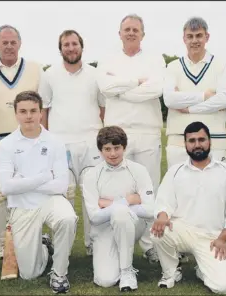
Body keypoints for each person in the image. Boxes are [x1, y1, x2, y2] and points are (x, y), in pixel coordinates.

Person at [96, 13, 164, 263]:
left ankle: (150, 244)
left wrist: (121, 90)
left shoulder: (155, 59)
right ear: (120, 33)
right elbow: (106, 88)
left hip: (147, 131)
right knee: (120, 189)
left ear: (143, 34)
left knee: (148, 189)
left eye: (136, 29)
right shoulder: (108, 59)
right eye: (127, 29)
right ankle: (119, 239)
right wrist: (136, 82)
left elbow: (156, 89)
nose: (131, 33)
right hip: (117, 134)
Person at [0, 91, 77, 294]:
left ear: (41, 113)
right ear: (16, 114)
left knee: (68, 218)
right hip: (22, 204)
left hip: (51, 199)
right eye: (23, 111)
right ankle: (43, 245)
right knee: (29, 273)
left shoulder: (56, 142)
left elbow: (60, 186)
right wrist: (43, 177)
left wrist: (22, 181)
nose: (29, 116)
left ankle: (59, 274)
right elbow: (6, 187)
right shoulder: (6, 145)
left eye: (33, 111)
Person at [151, 121, 226, 294]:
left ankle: (202, 270)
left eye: (202, 139)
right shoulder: (176, 171)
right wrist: (163, 215)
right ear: (185, 144)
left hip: (213, 238)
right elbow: (164, 202)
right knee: (158, 230)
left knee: (224, 287)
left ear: (210, 142)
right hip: (182, 230)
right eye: (192, 141)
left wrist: (223, 238)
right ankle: (171, 272)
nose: (197, 144)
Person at [0, 24, 46, 259]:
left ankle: (32, 240)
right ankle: (3, 246)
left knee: (30, 190)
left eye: (13, 42)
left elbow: (44, 107)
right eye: (4, 42)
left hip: (30, 139)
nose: (9, 46)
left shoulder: (36, 70)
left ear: (20, 43)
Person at [39, 29, 105, 256]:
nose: (70, 48)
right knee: (61, 195)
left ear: (81, 46)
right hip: (60, 144)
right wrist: (45, 141)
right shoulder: (49, 74)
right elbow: (44, 110)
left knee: (92, 194)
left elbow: (103, 108)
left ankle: (94, 244)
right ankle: (60, 246)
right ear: (60, 49)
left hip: (91, 143)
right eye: (66, 44)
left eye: (74, 43)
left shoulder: (96, 74)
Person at [82, 126, 155, 292]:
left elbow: (151, 211)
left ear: (124, 147)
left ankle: (127, 270)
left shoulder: (138, 170)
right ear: (100, 150)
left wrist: (110, 204)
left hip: (132, 225)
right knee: (105, 280)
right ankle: (118, 263)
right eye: (107, 149)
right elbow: (94, 217)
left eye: (117, 148)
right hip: (104, 229)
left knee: (121, 214)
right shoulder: (92, 175)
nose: (113, 154)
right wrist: (130, 200)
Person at [163, 17, 226, 168]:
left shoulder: (221, 65)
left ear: (207, 37)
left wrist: (188, 108)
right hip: (178, 141)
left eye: (199, 35)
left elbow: (224, 100)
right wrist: (204, 96)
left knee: (215, 189)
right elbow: (169, 100)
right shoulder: (173, 66)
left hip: (215, 140)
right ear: (184, 39)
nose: (195, 40)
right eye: (190, 36)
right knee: (179, 189)